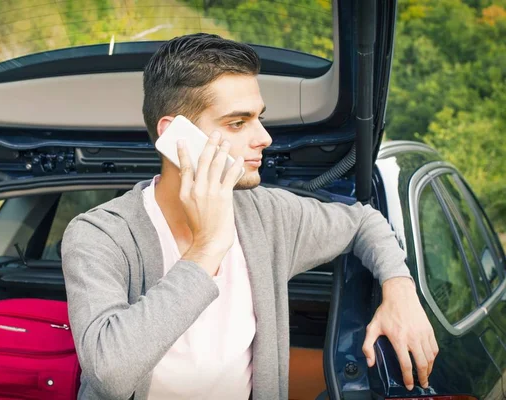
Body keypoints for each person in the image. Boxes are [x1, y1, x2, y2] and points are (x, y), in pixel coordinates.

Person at [61, 33, 438, 400]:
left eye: (259, 117)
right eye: (238, 123)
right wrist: (207, 249)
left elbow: (362, 222)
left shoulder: (267, 215)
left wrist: (400, 289)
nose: (265, 138)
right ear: (176, 136)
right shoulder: (99, 235)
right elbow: (110, 374)